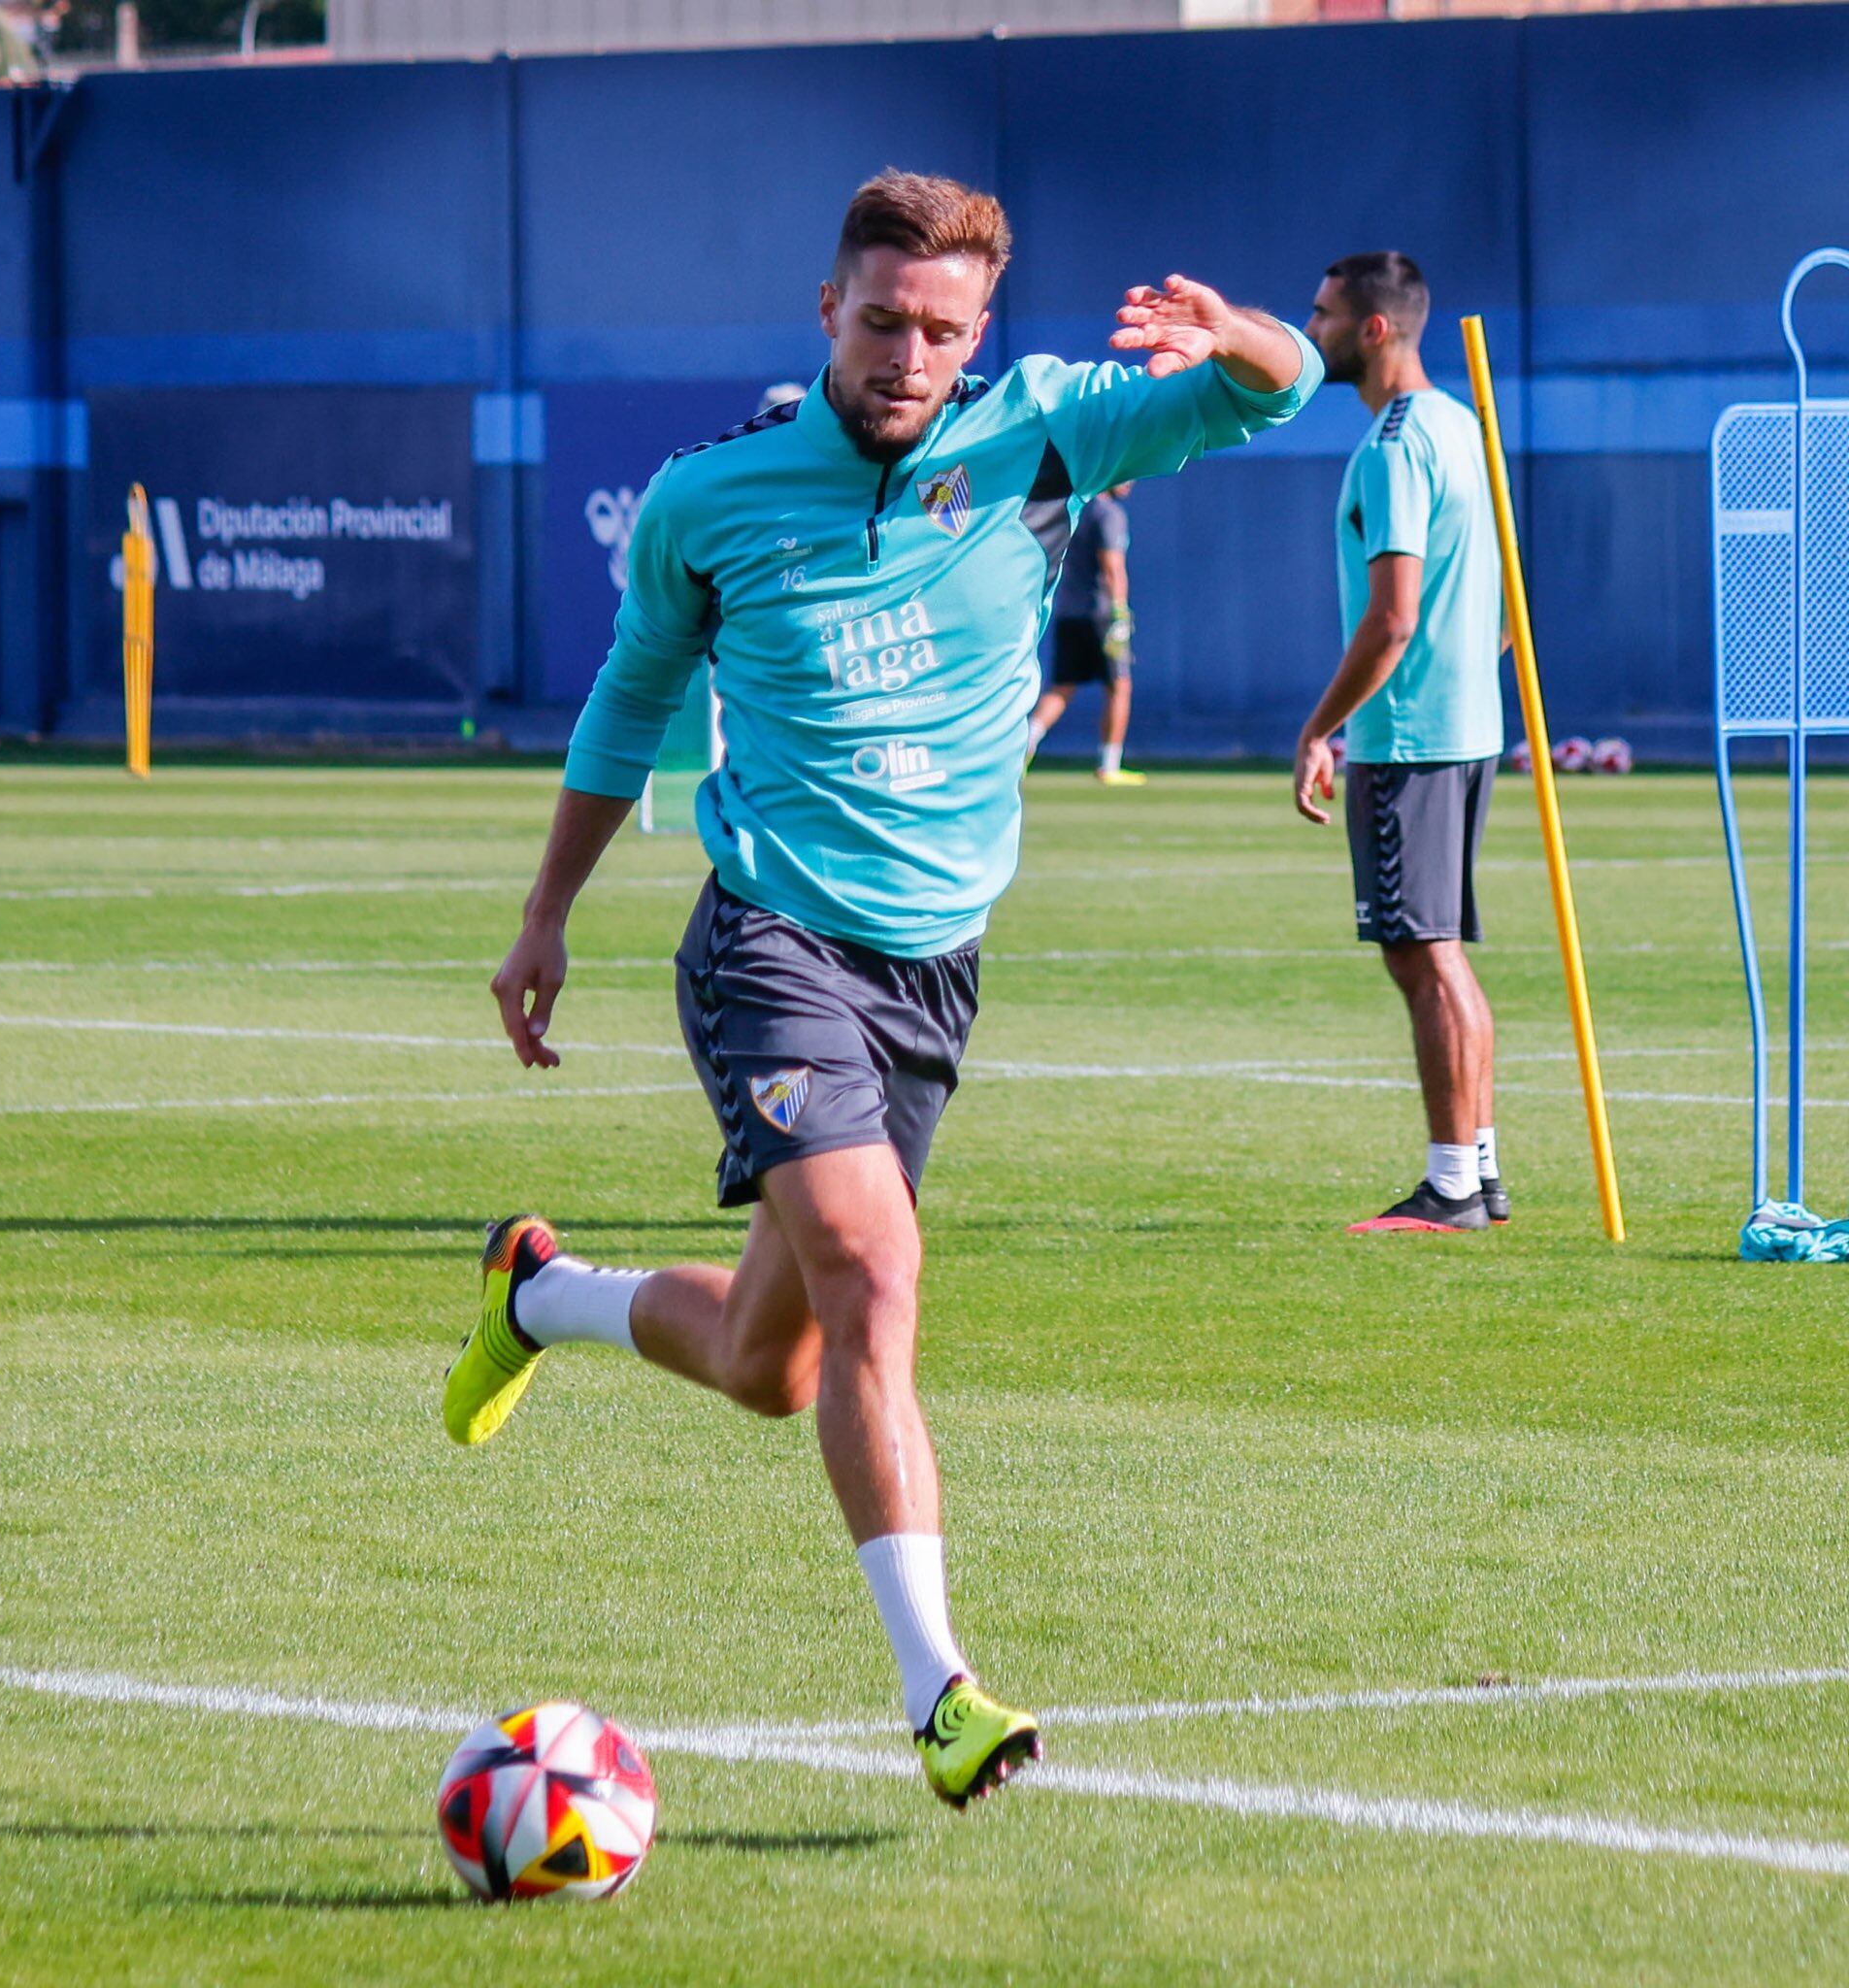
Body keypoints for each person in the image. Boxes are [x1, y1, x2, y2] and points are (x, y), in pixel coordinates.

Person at [446, 170, 1321, 1805]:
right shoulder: (711, 500)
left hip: (933, 971)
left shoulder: (1044, 437)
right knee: (874, 1267)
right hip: (769, 942)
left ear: (979, 336)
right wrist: (544, 916)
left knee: (772, 1365)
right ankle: (940, 1694)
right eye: (880, 319)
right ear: (825, 315)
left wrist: (1238, 335)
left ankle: (536, 1293)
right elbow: (626, 705)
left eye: (940, 327)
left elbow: (1280, 391)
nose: (907, 353)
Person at [1295, 251, 1509, 1234]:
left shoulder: (1392, 445)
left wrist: (1320, 726)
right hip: (1464, 726)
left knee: (1420, 955)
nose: (1310, 331)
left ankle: (1451, 1185)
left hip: (1410, 733)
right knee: (1437, 953)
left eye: (1322, 314)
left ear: (1372, 328)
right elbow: (1506, 603)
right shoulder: (1460, 424)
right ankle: (1477, 1166)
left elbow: (1391, 618)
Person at [1025, 482, 1143, 784]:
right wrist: (1119, 613)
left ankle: (1025, 743)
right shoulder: (1108, 513)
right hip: (1102, 614)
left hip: (1068, 611)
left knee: (1062, 688)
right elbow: (1112, 567)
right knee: (1119, 685)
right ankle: (1109, 764)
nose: (1131, 482)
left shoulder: (1074, 509)